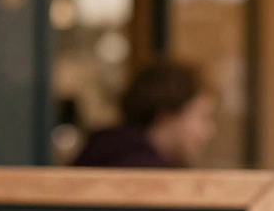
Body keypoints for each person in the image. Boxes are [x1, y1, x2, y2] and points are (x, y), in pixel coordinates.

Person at [73, 61, 217, 169]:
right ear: (166, 117)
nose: (210, 131)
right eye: (203, 117)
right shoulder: (143, 173)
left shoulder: (110, 153)